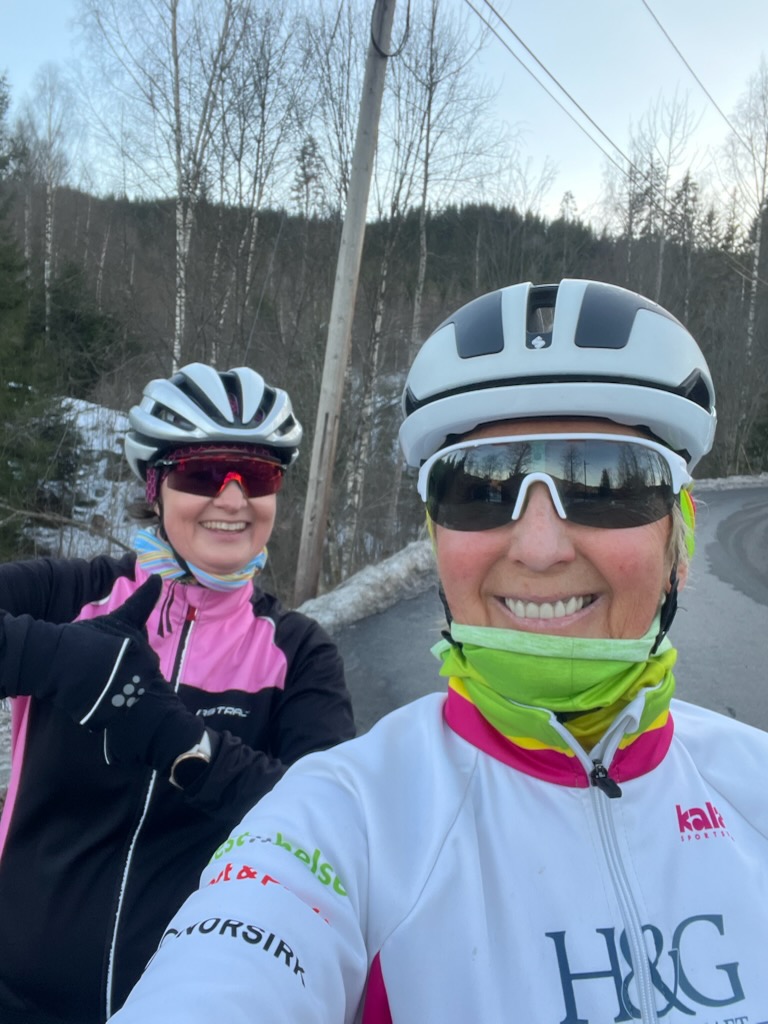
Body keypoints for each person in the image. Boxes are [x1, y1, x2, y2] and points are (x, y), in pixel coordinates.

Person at [110, 281, 768, 1024]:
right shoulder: (344, 817)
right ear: (436, 539)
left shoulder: (755, 791)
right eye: (479, 490)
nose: (541, 548)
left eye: (606, 484)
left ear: (680, 537)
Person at [0, 362, 355, 1024]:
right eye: (202, 473)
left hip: (192, 1006)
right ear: (154, 487)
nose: (232, 499)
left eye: (257, 476)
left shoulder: (297, 652)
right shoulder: (68, 597)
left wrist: (179, 741)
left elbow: (329, 832)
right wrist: (67, 662)